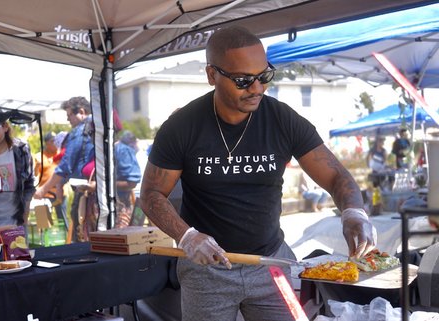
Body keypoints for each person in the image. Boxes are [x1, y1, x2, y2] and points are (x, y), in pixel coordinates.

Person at [140, 26, 376, 321]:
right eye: (243, 81)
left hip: (271, 262)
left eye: (264, 76)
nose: (257, 89)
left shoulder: (282, 119)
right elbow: (151, 194)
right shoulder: (182, 127)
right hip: (206, 269)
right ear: (212, 75)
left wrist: (354, 213)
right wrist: (187, 236)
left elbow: (336, 176)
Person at [34, 97, 94, 242]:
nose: (68, 121)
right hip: (96, 191)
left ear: (81, 112)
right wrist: (59, 184)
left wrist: (43, 190)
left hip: (86, 193)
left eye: (69, 116)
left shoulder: (80, 131)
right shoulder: (98, 128)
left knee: (81, 237)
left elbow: (66, 165)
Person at [33, 132, 68, 231]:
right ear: (47, 143)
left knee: (63, 219)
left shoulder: (61, 154)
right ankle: (44, 242)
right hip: (44, 194)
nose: (55, 143)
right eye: (52, 141)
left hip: (59, 192)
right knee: (43, 222)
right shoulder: (39, 156)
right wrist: (37, 166)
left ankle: (67, 241)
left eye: (56, 141)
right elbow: (35, 175)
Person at [114, 130, 142, 227]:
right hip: (119, 202)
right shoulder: (122, 149)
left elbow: (132, 182)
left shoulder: (123, 150)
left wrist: (106, 185)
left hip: (120, 203)